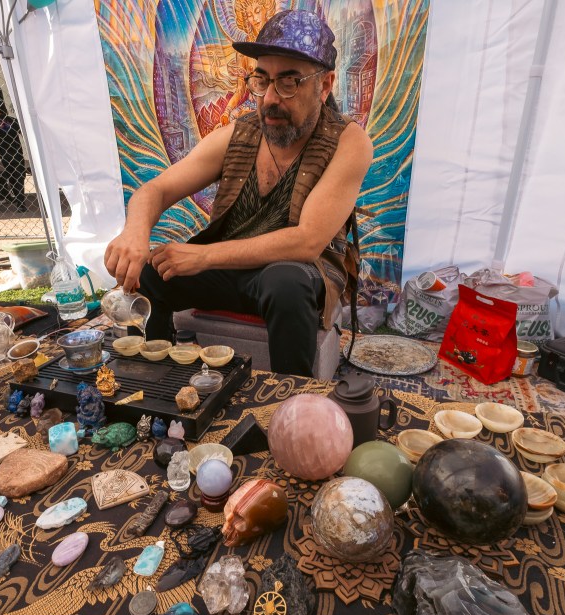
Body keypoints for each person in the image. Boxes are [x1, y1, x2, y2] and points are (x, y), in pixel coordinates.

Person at [104, 10, 373, 377]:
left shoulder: (348, 140)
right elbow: (158, 188)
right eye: (262, 80)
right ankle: (161, 378)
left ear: (324, 86)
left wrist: (202, 257)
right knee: (153, 271)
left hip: (297, 274)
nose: (270, 98)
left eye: (289, 82)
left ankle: (287, 404)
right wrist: (135, 232)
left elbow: (308, 241)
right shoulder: (240, 134)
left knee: (286, 284)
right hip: (231, 270)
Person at [0, 102, 27, 211]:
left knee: (11, 176)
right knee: (19, 176)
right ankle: (21, 203)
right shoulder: (13, 120)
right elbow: (23, 135)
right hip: (17, 151)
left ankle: (16, 200)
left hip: (5, 153)